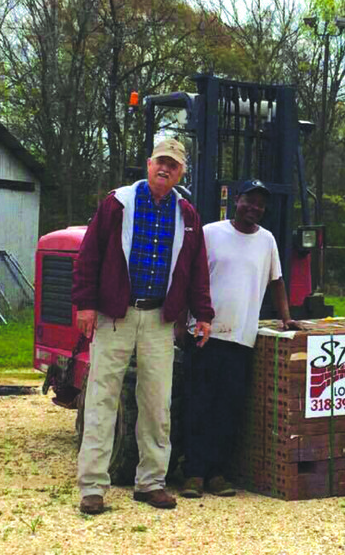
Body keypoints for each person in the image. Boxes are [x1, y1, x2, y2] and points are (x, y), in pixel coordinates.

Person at [73, 138, 214, 515]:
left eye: (173, 165)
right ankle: (92, 487)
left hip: (158, 319)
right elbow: (89, 254)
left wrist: (203, 314)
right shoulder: (117, 203)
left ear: (181, 173)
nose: (165, 169)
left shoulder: (187, 215)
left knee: (157, 402)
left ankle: (151, 482)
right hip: (115, 315)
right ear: (149, 164)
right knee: (102, 398)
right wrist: (85, 304)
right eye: (160, 162)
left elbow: (196, 268)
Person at [180, 179, 302, 499]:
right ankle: (193, 473)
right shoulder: (210, 233)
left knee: (228, 408)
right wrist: (180, 322)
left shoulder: (267, 240)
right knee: (198, 404)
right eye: (249, 201)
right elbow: (187, 277)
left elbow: (277, 281)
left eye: (260, 204)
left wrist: (286, 317)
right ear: (236, 200)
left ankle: (217, 473)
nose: (254, 208)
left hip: (241, 338)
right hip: (204, 334)